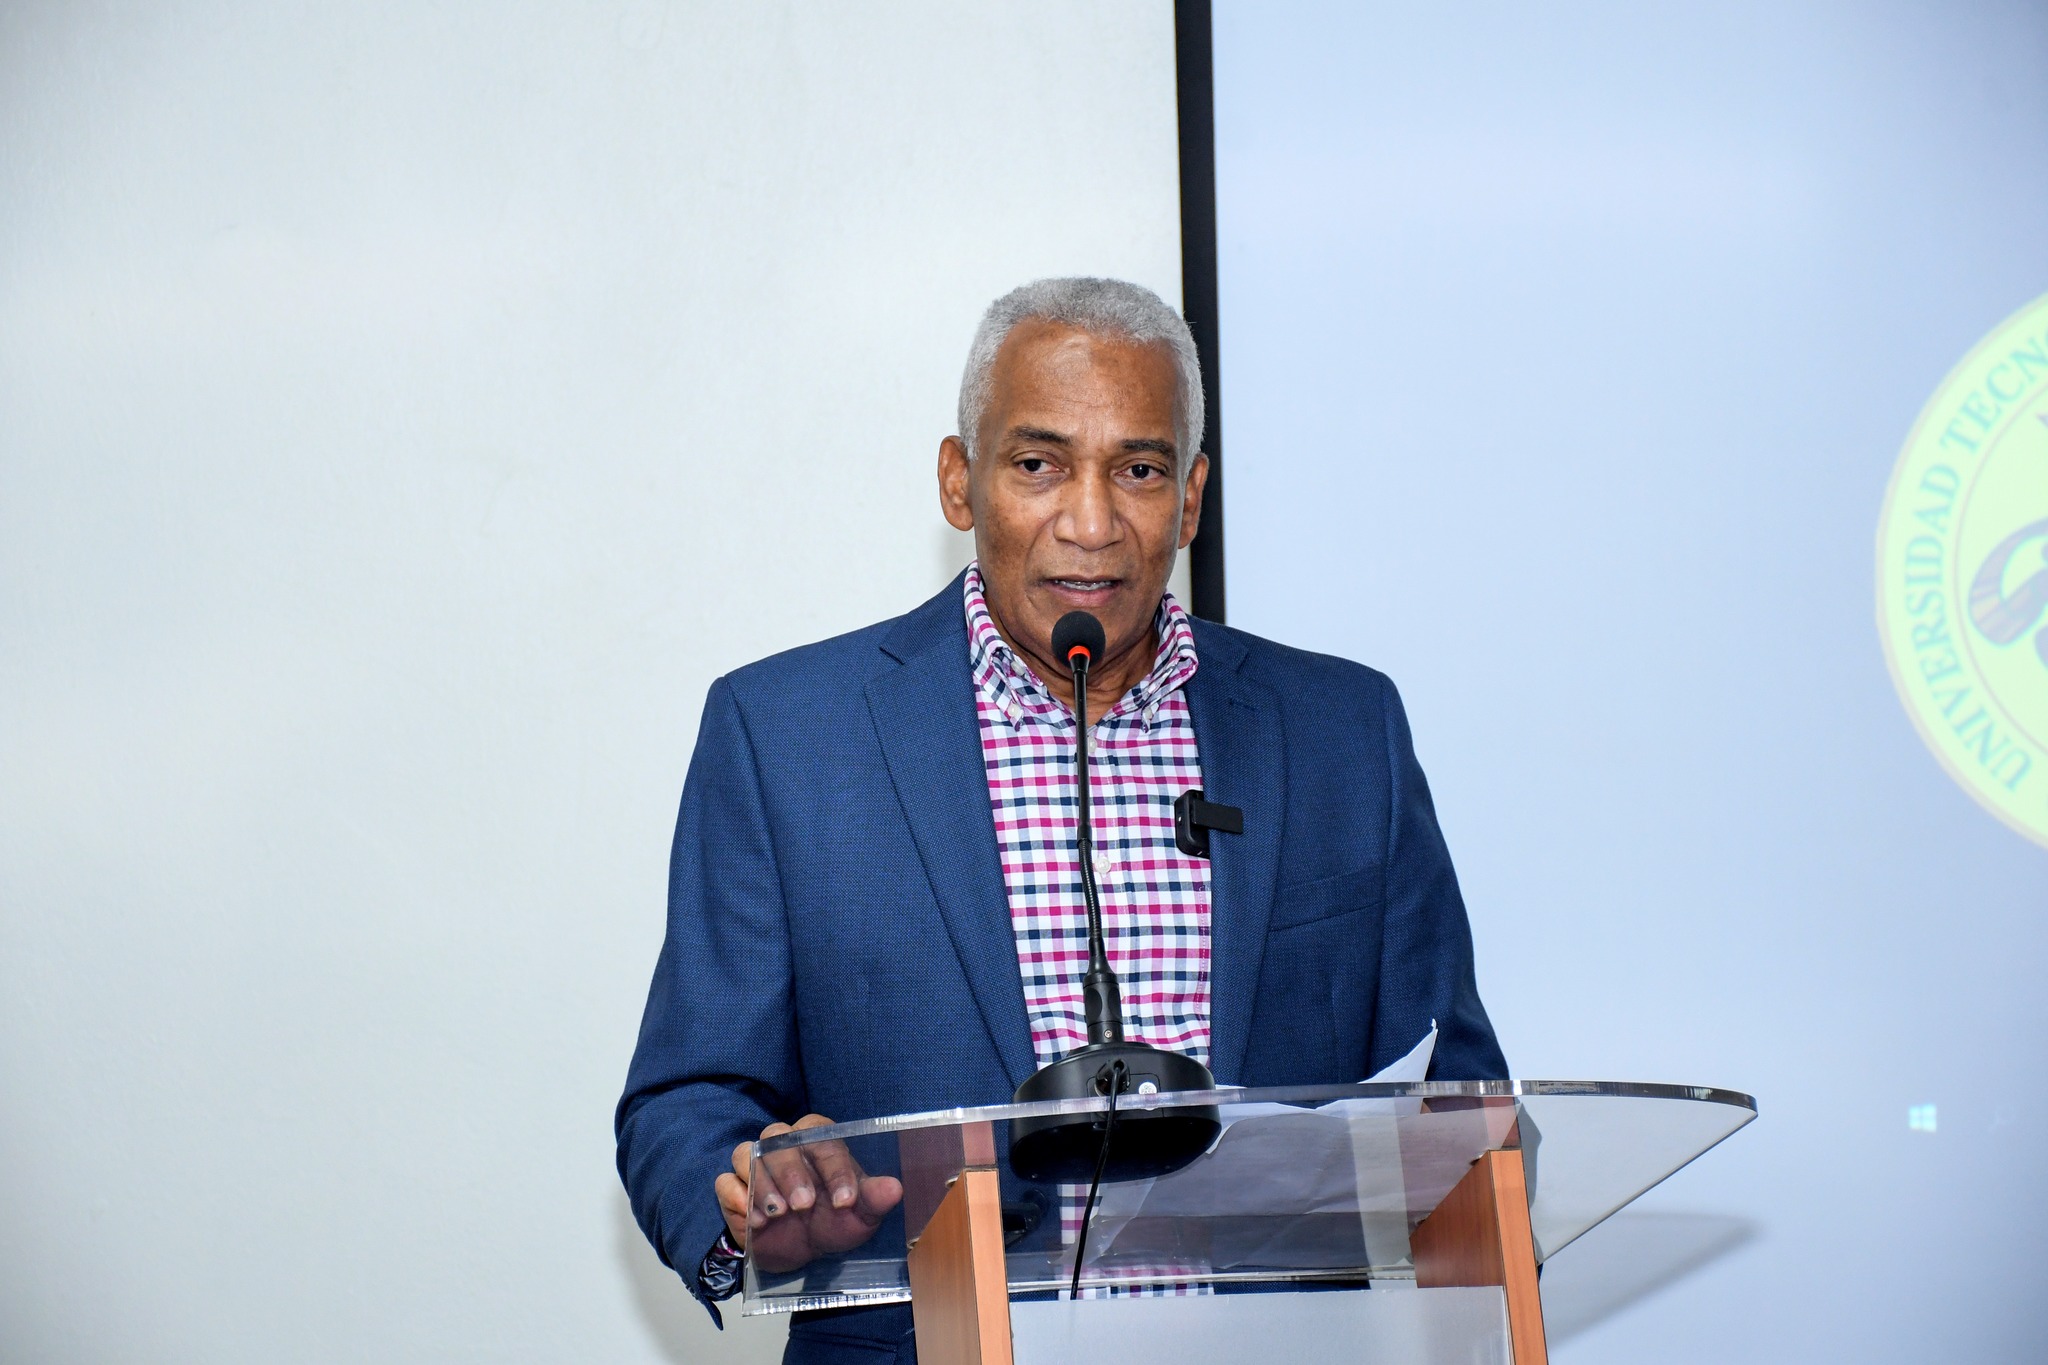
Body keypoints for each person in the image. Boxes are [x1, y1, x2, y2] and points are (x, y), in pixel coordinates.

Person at [616, 277, 1506, 1363]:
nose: (1091, 523)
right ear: (960, 480)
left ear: (1190, 498)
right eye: (1038, 465)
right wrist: (759, 1199)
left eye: (1138, 470)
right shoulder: (786, 734)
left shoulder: (1339, 730)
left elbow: (1457, 1107)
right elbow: (685, 1098)